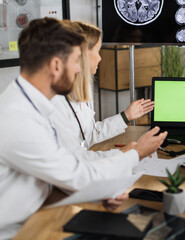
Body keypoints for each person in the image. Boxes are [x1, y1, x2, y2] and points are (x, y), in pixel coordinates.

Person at [0, 18, 167, 239]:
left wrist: (100, 190)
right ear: (56, 65)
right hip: (22, 231)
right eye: (77, 60)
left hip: (45, 210)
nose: (80, 68)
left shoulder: (30, 105)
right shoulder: (19, 119)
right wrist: (136, 153)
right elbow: (77, 174)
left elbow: (70, 159)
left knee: (151, 226)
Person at [52, 21, 154, 149]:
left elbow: (89, 135)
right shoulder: (57, 102)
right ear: (84, 55)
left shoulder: (82, 89)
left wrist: (126, 116)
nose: (100, 58)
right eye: (98, 51)